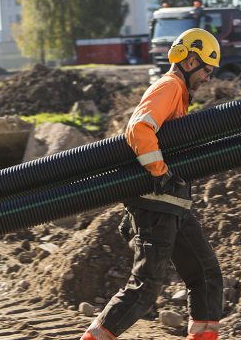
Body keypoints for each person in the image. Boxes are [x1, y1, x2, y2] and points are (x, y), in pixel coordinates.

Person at [80, 28, 223, 340]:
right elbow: (139, 128)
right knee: (144, 289)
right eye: (207, 70)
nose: (208, 79)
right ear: (190, 61)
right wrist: (160, 172)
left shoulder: (178, 95)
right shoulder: (169, 86)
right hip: (157, 206)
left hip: (174, 206)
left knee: (206, 274)